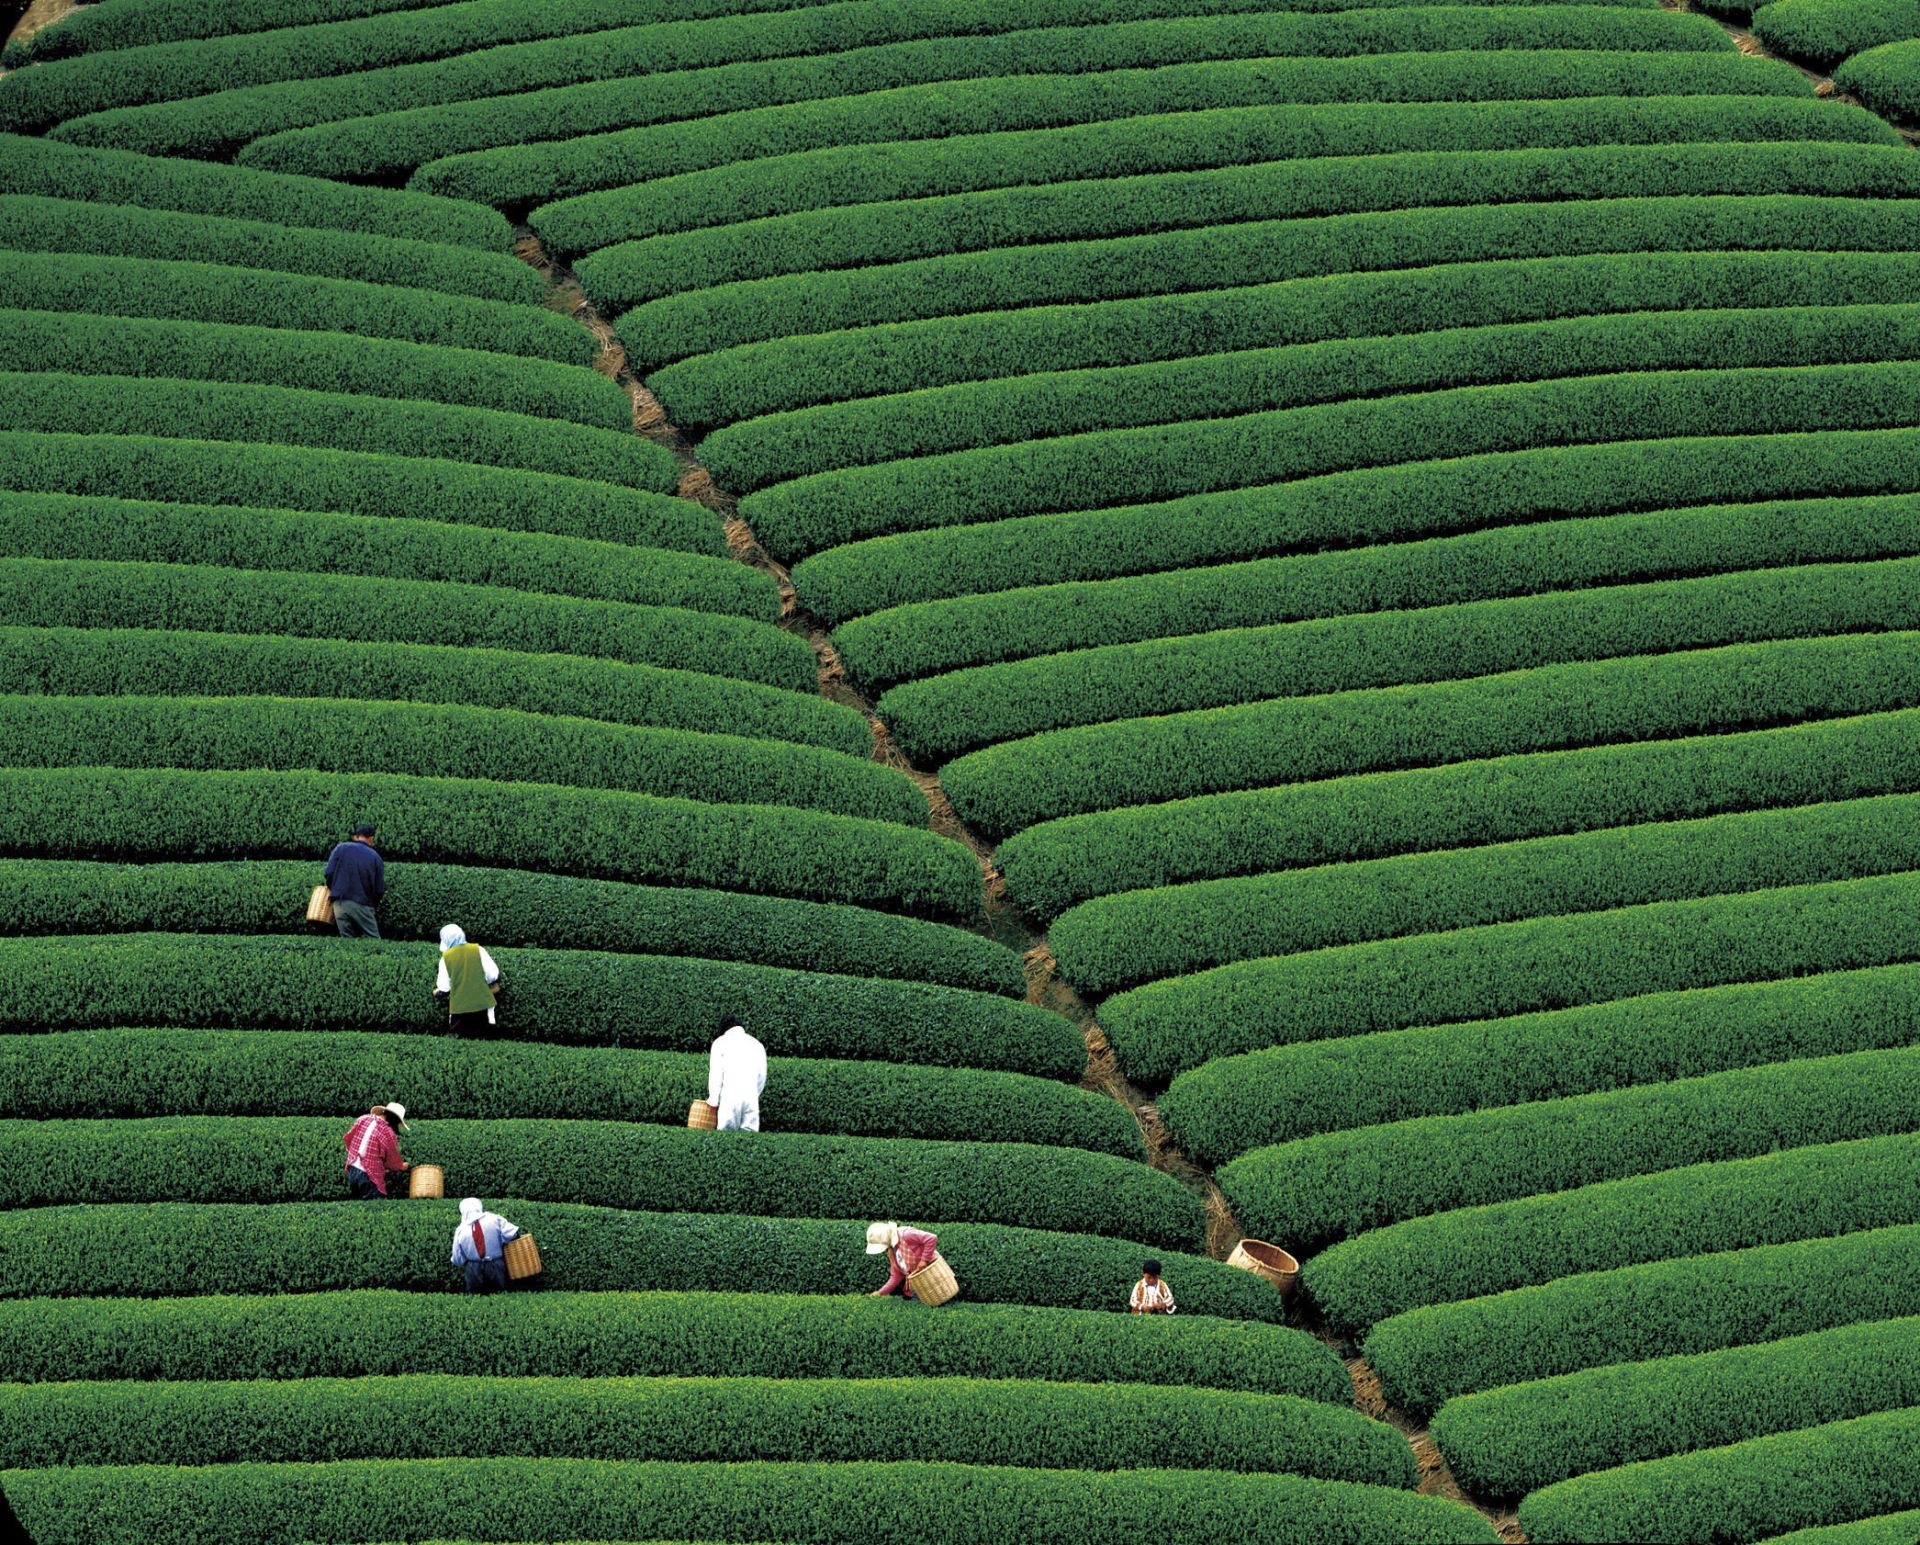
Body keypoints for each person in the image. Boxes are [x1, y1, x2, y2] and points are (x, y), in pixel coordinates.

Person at [434, 923, 502, 1035]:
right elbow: (493, 975)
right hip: (482, 1006)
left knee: (457, 1042)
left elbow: (444, 987)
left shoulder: (445, 958)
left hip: (459, 1009)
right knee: (482, 1042)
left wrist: (437, 991)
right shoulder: (478, 950)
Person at [322, 824, 385, 939]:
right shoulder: (375, 857)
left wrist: (334, 889)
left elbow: (328, 873)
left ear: (356, 837)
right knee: (374, 941)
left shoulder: (340, 848)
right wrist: (371, 906)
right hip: (362, 904)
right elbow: (379, 889)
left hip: (339, 904)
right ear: (371, 838)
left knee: (348, 942)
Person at [450, 1196, 522, 1295]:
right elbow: (513, 1234)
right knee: (500, 1297)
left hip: (473, 1268)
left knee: (475, 1301)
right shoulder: (494, 1219)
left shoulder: (460, 1230)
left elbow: (457, 1259)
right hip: (496, 1265)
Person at [707, 1014, 767, 1132]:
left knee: (726, 1137)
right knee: (750, 1137)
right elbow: (762, 1076)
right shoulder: (757, 1044)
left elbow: (716, 1075)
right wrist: (754, 1094)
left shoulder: (720, 1043)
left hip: (729, 1097)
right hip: (751, 1098)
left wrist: (713, 1100)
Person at [343, 1102, 410, 1199]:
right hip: (369, 1176)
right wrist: (402, 1166)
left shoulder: (363, 1118)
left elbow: (348, 1138)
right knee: (375, 1208)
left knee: (359, 1207)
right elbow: (392, 1160)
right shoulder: (388, 1132)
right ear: (395, 1120)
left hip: (352, 1169)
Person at [866, 1221, 939, 1299]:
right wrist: (880, 1293)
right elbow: (896, 1276)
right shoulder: (892, 1252)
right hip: (918, 1287)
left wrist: (924, 1260)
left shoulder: (906, 1234)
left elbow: (931, 1238)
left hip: (935, 1277)